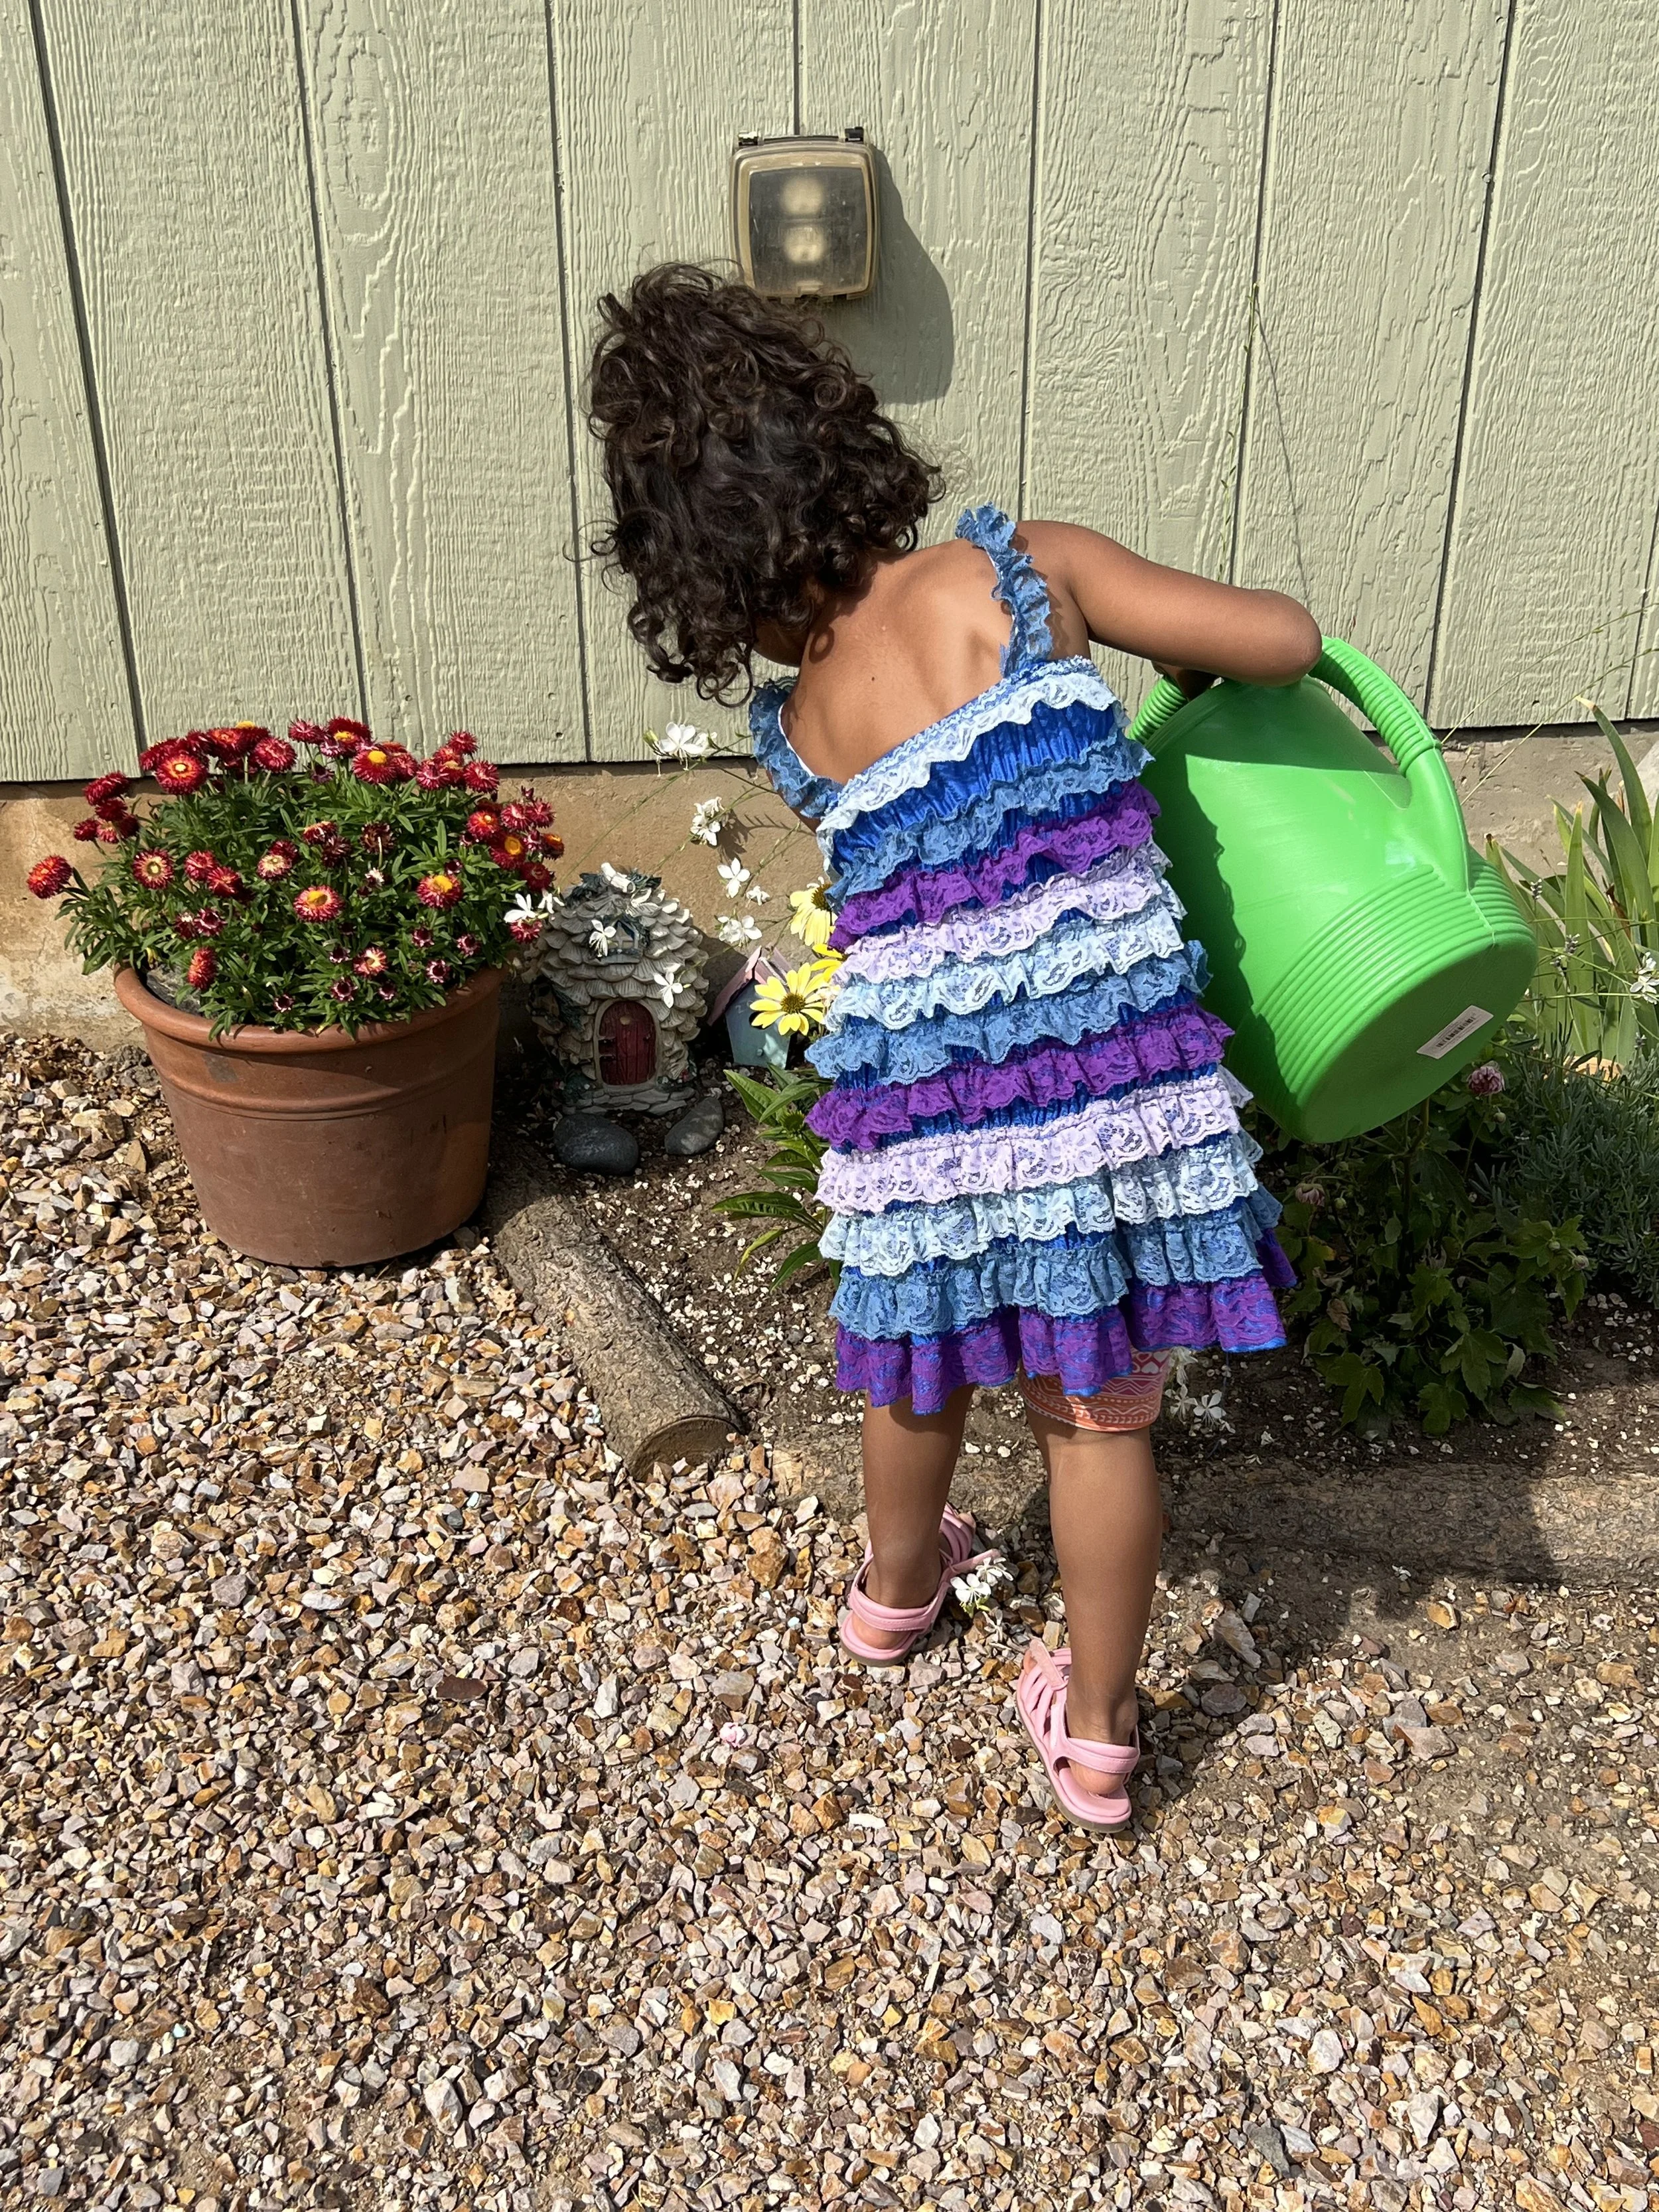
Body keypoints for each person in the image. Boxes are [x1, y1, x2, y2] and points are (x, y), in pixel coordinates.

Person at [589, 263, 1319, 1832]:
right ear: (844, 437)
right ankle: (1103, 1729)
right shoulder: (1028, 568)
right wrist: (1178, 674)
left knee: (913, 1351)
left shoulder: (799, 729)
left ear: (693, 564)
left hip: (924, 1108)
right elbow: (1281, 637)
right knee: (1094, 1404)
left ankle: (892, 1594)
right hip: (1107, 1095)